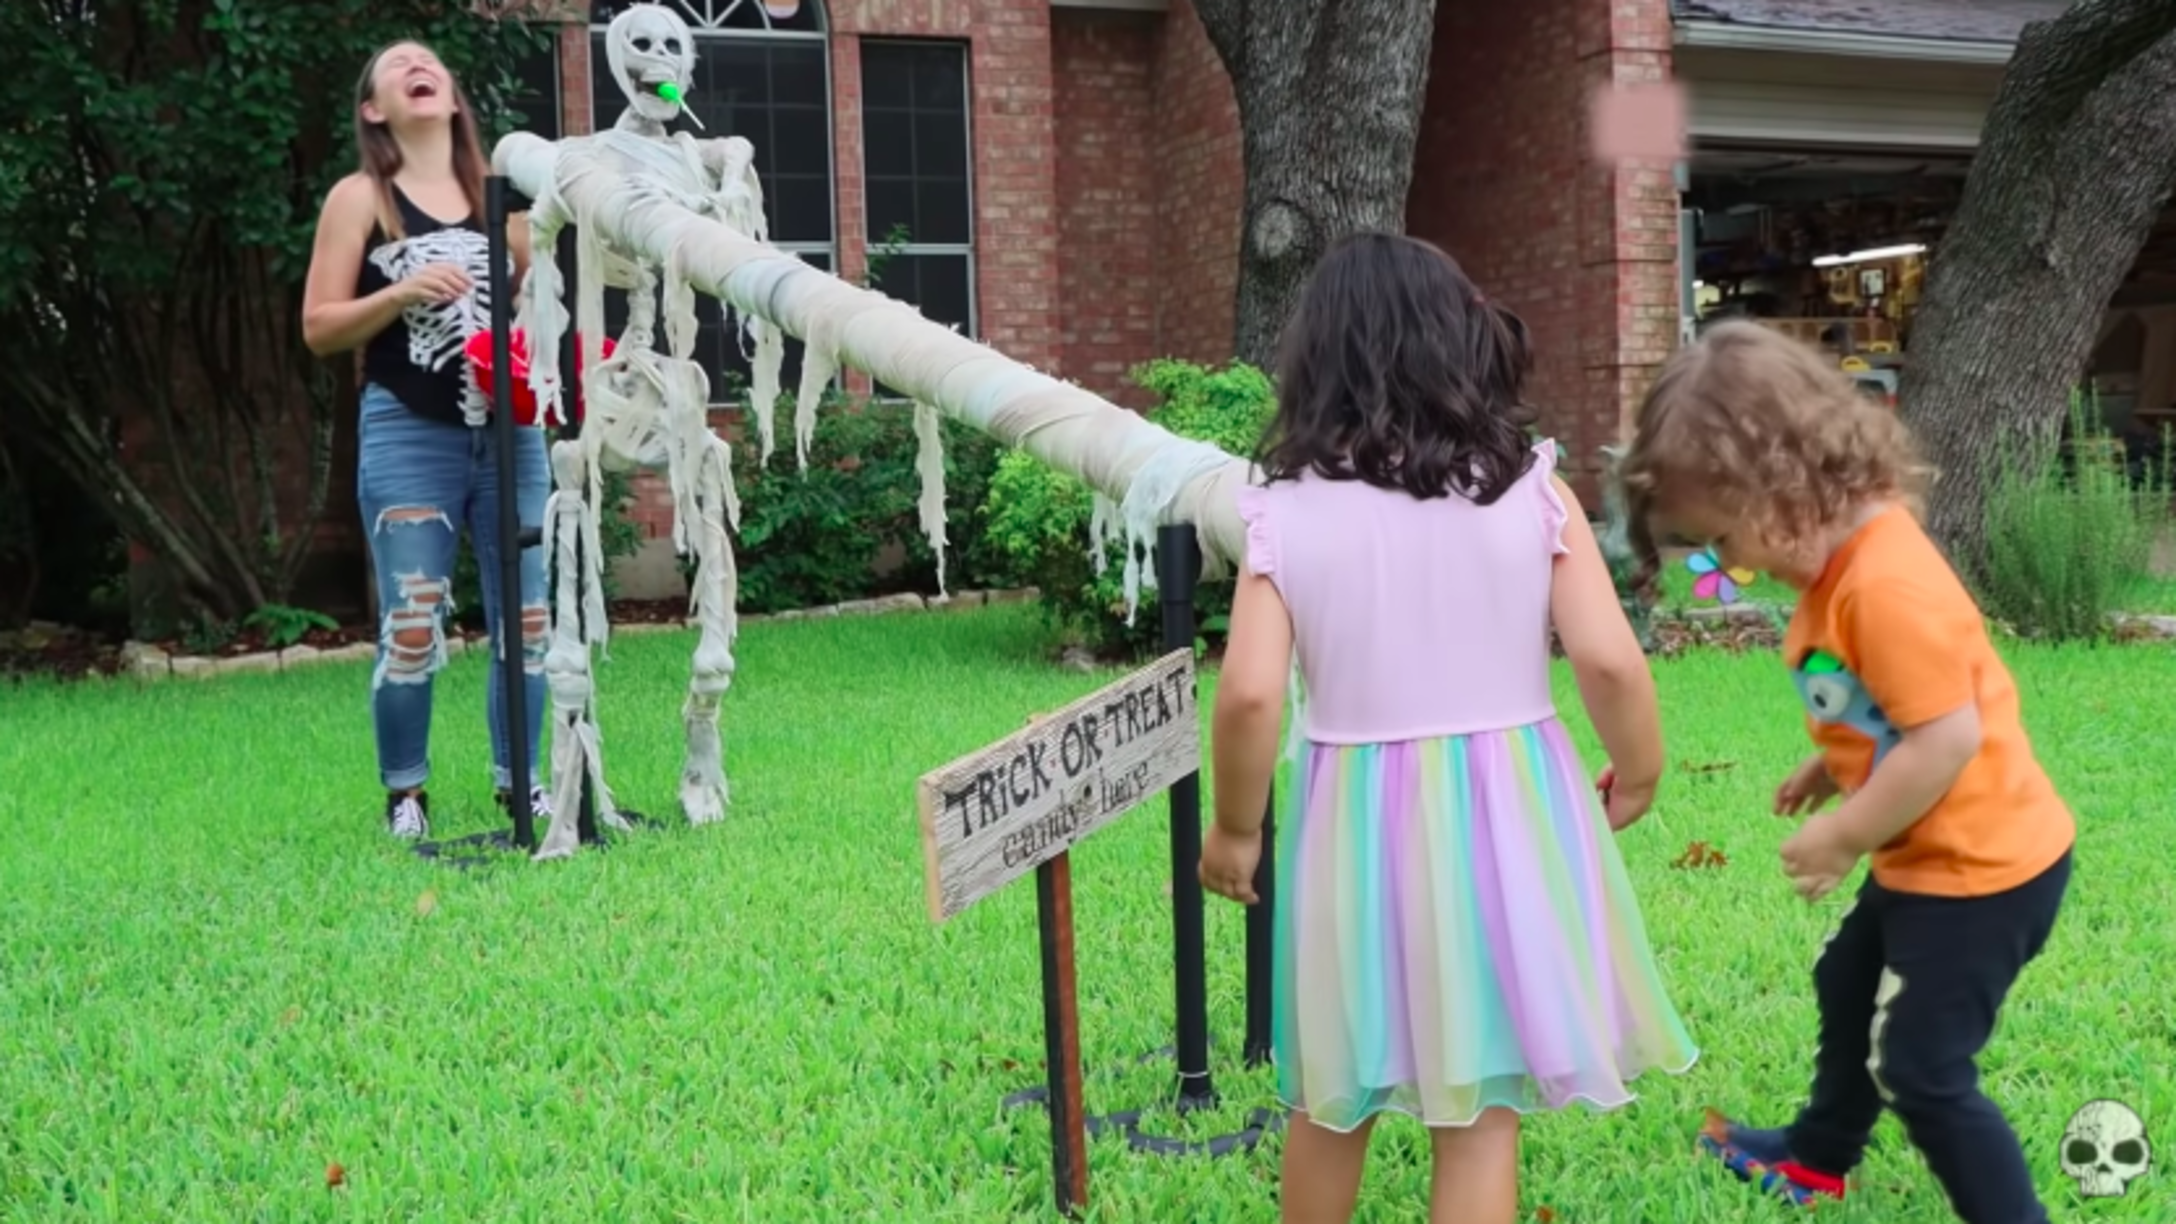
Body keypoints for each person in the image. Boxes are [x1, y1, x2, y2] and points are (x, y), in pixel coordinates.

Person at [1198, 231, 1700, 1223]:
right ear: (1458, 342)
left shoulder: (1285, 511)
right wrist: (1638, 768)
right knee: (1478, 1113)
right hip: (1507, 817)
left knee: (1331, 1092)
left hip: (1354, 828)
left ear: (1317, 359)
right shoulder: (1531, 491)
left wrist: (1235, 828)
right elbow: (1607, 659)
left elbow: (1251, 694)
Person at [1616, 320, 2075, 1219]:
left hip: (1983, 874)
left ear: (1780, 482)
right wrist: (1830, 767)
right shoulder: (1843, 566)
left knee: (1922, 1070)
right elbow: (1891, 709)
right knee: (1848, 981)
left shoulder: (1882, 584)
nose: (1730, 565)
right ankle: (1818, 1159)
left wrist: (1843, 834)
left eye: (1724, 538)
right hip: (1929, 857)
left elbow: (1945, 739)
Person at [301, 40, 550, 840]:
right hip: (409, 430)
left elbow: (544, 305)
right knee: (411, 623)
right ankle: (405, 794)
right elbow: (318, 326)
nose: (419, 64)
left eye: (429, 61)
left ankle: (523, 785)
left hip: (511, 434)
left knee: (530, 620)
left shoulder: (503, 197)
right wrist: (401, 291)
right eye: (398, 62)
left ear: (452, 96)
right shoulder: (361, 198)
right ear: (374, 108)